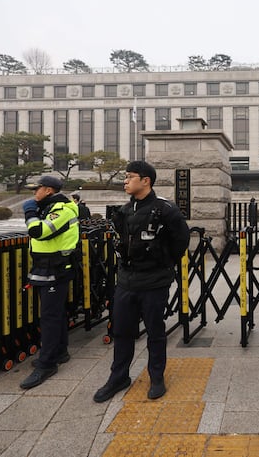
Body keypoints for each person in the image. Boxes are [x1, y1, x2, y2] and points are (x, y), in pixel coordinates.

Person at [94, 160, 190, 403]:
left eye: (130, 177)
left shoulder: (165, 210)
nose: (125, 181)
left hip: (154, 282)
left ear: (145, 180)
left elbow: (181, 241)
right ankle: (119, 377)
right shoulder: (124, 212)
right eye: (125, 177)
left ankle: (156, 376)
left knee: (155, 332)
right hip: (126, 281)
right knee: (122, 331)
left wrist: (163, 264)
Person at [19, 175, 80, 389]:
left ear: (48, 190)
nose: (34, 193)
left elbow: (39, 232)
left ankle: (47, 364)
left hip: (55, 270)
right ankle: (60, 351)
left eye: (37, 189)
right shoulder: (50, 208)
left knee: (50, 317)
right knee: (56, 314)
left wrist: (29, 211)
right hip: (46, 268)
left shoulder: (62, 210)